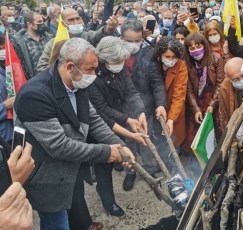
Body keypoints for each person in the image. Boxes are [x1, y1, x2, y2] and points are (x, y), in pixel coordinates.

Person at [14, 38, 135, 230]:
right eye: (90, 69)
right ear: (70, 66)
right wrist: (106, 152)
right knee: (57, 222)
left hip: (71, 165)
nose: (94, 75)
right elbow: (59, 146)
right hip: (47, 175)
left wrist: (120, 146)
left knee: (75, 200)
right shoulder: (35, 95)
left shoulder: (77, 83)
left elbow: (94, 120)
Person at [87, 36, 148, 216]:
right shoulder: (92, 75)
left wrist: (140, 112)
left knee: (128, 150)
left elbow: (131, 91)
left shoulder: (120, 69)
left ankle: (130, 173)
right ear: (104, 59)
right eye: (117, 61)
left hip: (121, 116)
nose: (121, 63)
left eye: (123, 60)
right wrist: (128, 120)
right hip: (100, 122)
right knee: (104, 163)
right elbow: (101, 109)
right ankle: (108, 200)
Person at [120, 20, 168, 189]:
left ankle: (149, 168)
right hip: (122, 108)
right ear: (121, 38)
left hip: (145, 106)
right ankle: (131, 171)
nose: (134, 45)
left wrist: (161, 104)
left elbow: (157, 83)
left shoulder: (149, 53)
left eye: (137, 40)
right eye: (129, 40)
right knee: (128, 141)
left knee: (147, 138)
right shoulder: (116, 54)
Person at [37, 8, 118, 72]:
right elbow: (42, 67)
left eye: (77, 18)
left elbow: (96, 35)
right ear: (63, 23)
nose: (76, 22)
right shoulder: (53, 44)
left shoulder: (86, 36)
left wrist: (108, 29)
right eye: (71, 20)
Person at [184, 32, 225, 148]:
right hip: (196, 104)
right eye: (192, 48)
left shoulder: (216, 59)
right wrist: (195, 109)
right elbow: (189, 90)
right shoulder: (187, 64)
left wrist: (212, 104)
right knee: (196, 137)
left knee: (216, 132)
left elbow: (220, 84)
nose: (196, 50)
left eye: (198, 47)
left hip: (213, 102)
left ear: (204, 46)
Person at [154, 37, 188, 148]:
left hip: (173, 111)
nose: (170, 60)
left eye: (173, 57)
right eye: (167, 57)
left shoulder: (181, 66)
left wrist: (171, 119)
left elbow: (179, 96)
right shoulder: (153, 64)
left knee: (173, 143)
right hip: (155, 108)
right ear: (160, 55)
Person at [12, 11, 53, 79]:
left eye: (42, 21)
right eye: (39, 22)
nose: (42, 24)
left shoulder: (49, 38)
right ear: (29, 24)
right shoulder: (19, 43)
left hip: (50, 78)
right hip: (33, 80)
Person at [219, 57, 243, 127]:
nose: (241, 81)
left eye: (242, 76)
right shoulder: (225, 88)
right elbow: (224, 113)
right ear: (228, 78)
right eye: (236, 79)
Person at [0, 35, 13, 144]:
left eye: (5, 48)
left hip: (13, 131)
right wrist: (4, 106)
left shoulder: (7, 68)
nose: (3, 52)